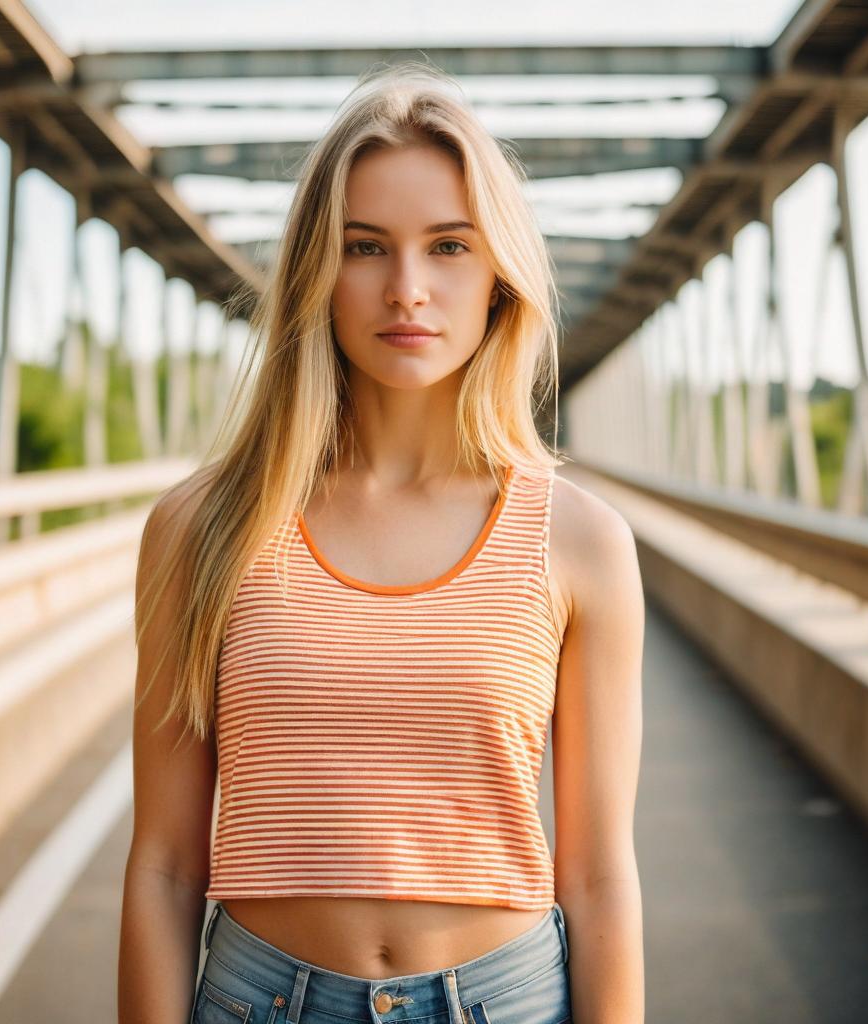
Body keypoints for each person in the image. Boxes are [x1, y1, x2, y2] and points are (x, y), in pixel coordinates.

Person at [118, 61, 645, 1024]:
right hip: (262, 1001)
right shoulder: (201, 529)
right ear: (317, 272)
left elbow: (602, 875)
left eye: (448, 246)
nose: (407, 289)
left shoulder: (580, 542)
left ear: (499, 276)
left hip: (506, 1001)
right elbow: (160, 864)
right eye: (365, 247)